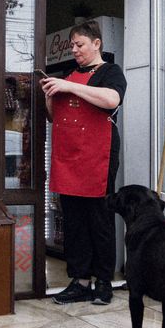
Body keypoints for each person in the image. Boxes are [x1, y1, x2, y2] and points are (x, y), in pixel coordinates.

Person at [42, 19, 127, 305]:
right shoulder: (69, 74)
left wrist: (69, 87)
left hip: (97, 158)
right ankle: (79, 281)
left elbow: (112, 99)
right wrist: (50, 96)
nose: (74, 50)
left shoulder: (110, 72)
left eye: (79, 45)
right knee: (75, 223)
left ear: (96, 44)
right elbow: (55, 117)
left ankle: (103, 281)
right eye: (72, 46)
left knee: (99, 220)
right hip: (68, 158)